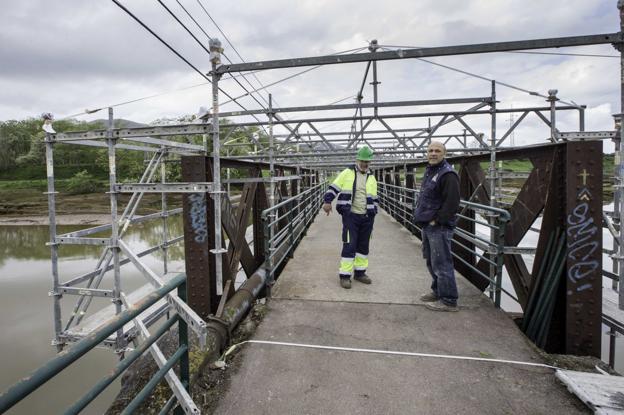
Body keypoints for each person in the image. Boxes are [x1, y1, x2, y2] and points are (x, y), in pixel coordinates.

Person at [322, 146, 379, 289]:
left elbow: (375, 196)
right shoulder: (347, 173)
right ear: (357, 160)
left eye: (367, 162)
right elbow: (334, 187)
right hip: (351, 216)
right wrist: (328, 201)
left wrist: (374, 210)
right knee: (349, 245)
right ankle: (345, 276)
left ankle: (360, 273)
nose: (365, 164)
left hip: (367, 217)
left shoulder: (371, 176)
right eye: (363, 161)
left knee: (363, 246)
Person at [414, 141, 461, 311]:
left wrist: (437, 220)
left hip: (438, 227)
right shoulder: (431, 171)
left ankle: (449, 300)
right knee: (432, 261)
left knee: (442, 263)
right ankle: (437, 291)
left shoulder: (448, 174)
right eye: (430, 150)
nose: (433, 153)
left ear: (444, 154)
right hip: (428, 225)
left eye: (437, 151)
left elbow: (452, 203)